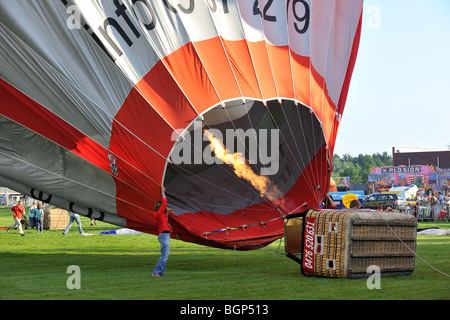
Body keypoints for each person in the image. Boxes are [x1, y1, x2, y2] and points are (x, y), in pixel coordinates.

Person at [152, 186, 171, 277]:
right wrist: (163, 192)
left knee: (164, 255)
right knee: (165, 256)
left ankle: (161, 272)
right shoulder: (159, 213)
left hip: (165, 235)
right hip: (164, 235)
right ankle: (156, 272)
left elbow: (165, 223)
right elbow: (164, 202)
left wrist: (167, 213)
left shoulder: (160, 215)